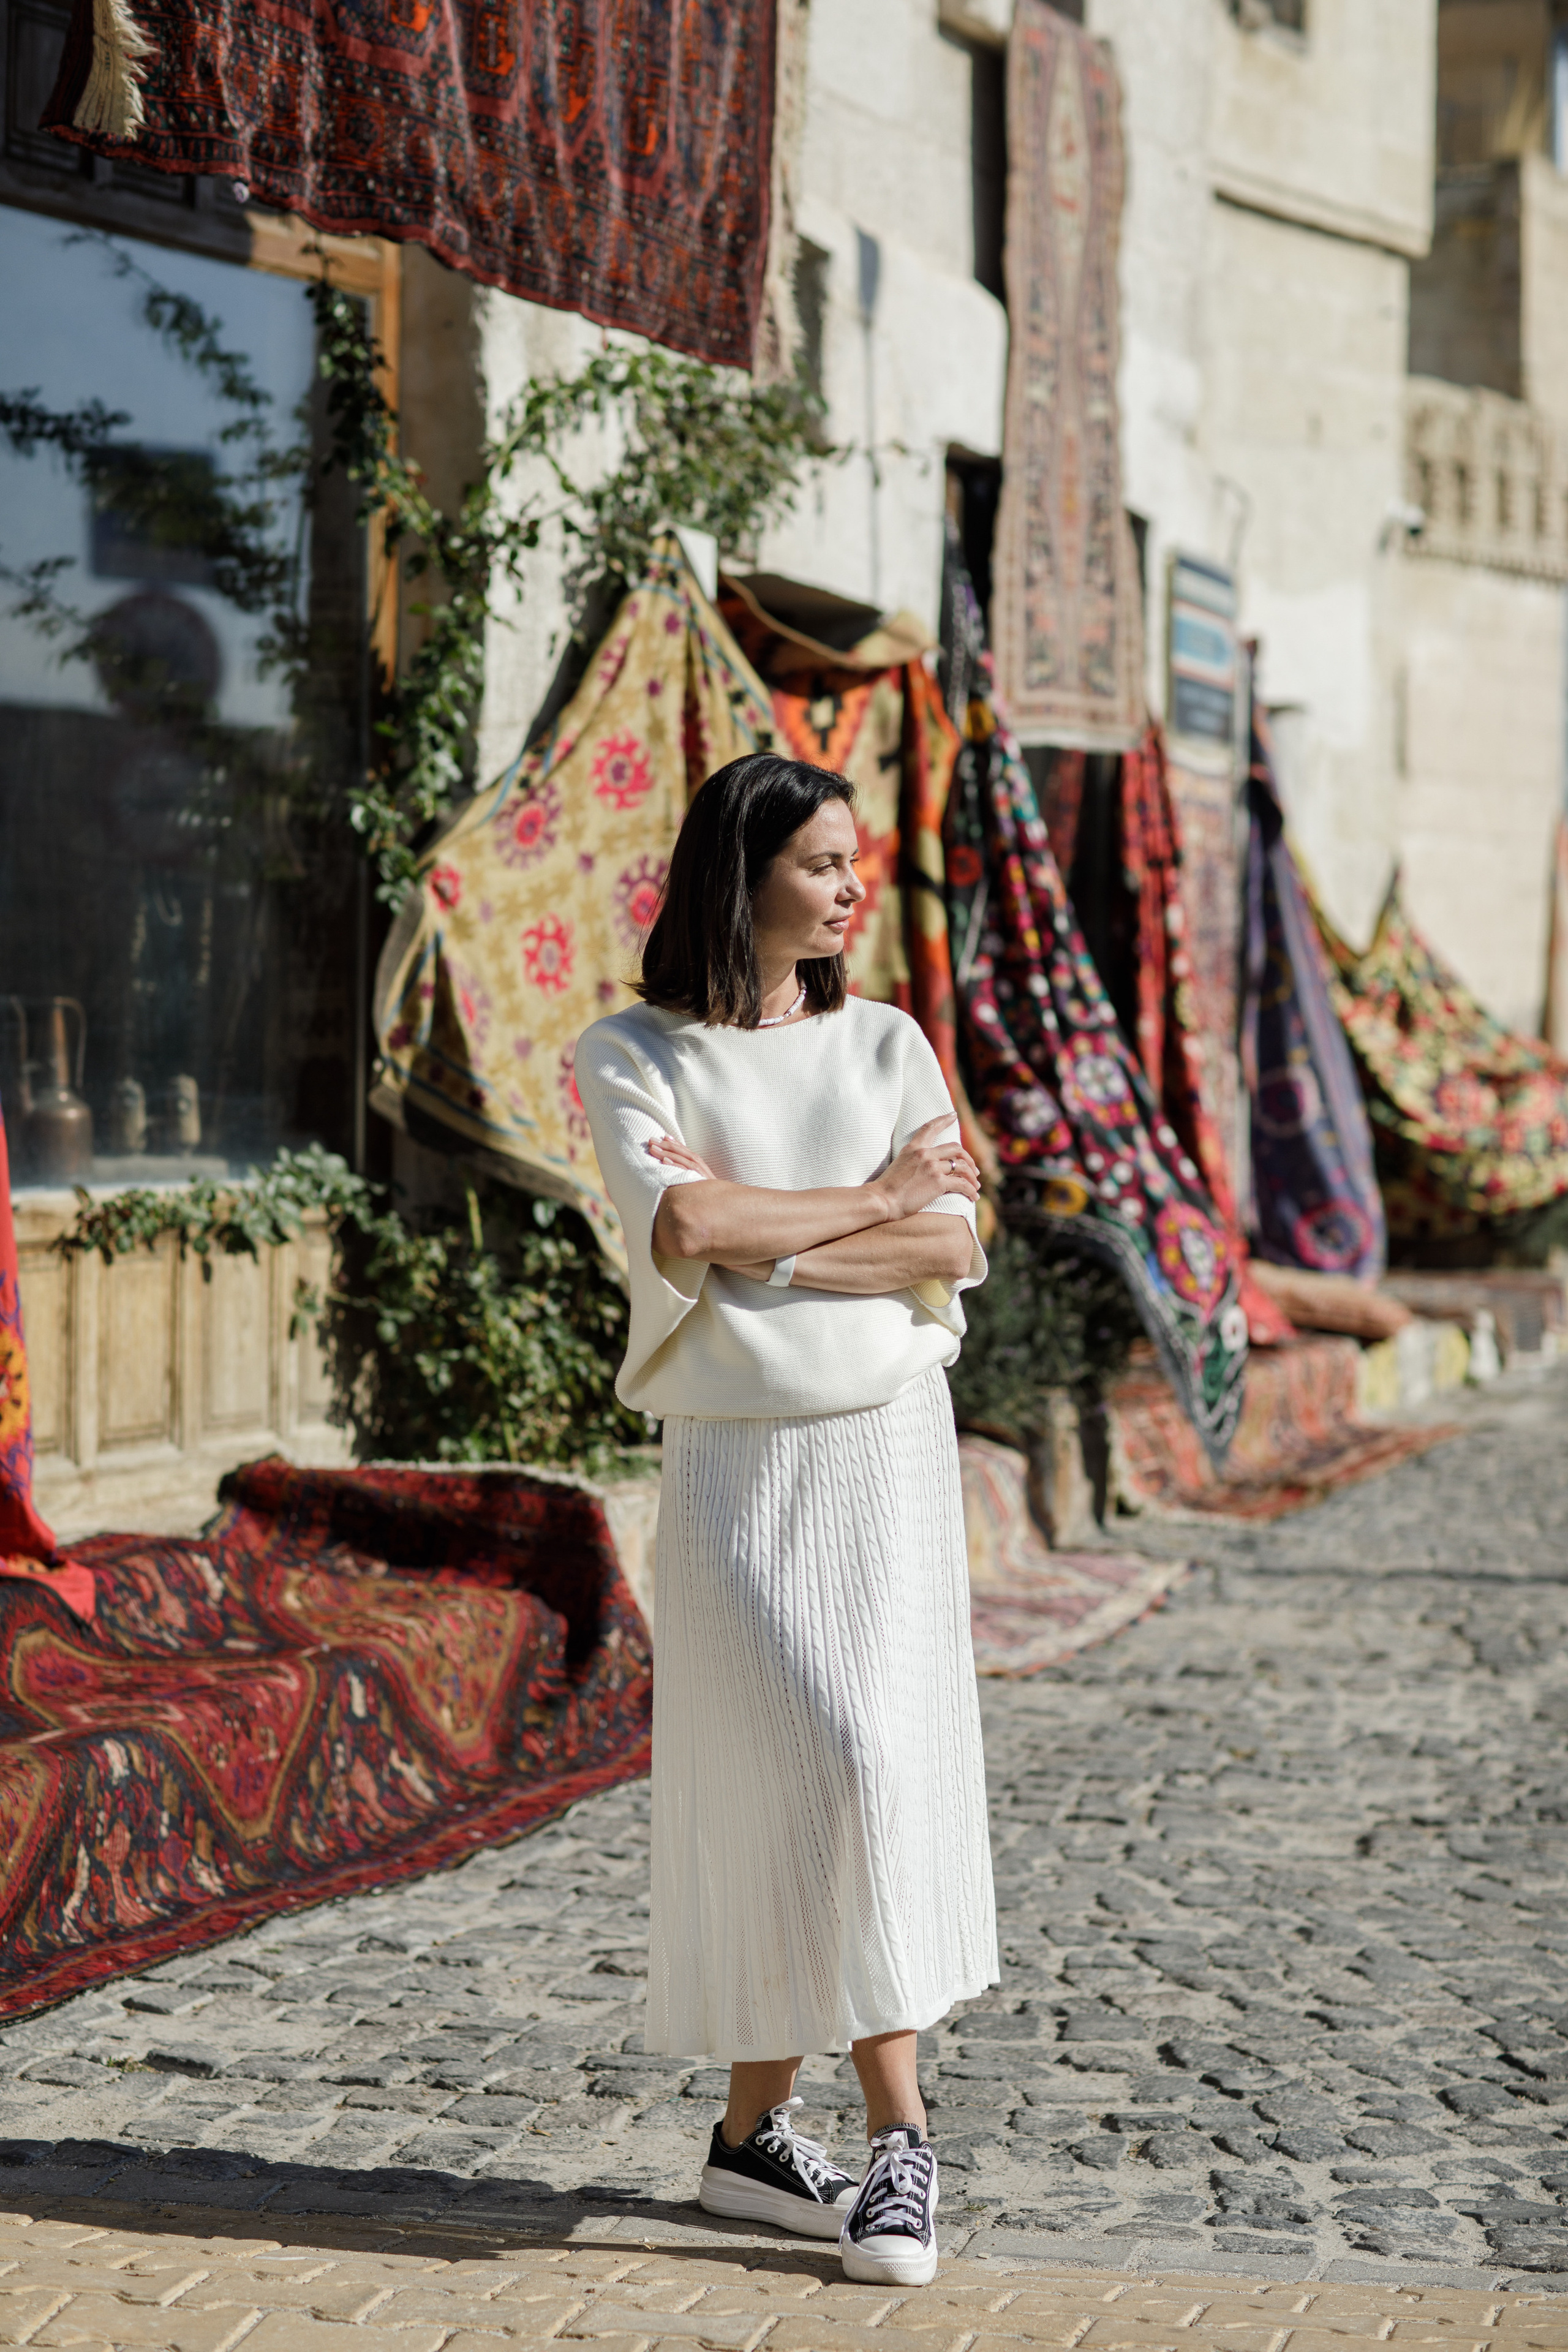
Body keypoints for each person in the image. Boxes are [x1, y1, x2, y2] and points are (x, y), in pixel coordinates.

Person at [576, 752, 998, 2288]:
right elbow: (685, 1227)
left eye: (853, 861)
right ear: (739, 875)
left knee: (865, 1756)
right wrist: (870, 1205)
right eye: (821, 863)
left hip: (882, 1446)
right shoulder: (632, 1053)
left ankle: (870, 2138)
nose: (848, 887)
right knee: (795, 1762)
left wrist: (795, 1245)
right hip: (736, 1468)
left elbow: (953, 1237)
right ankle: (779, 2140)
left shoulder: (886, 1041)